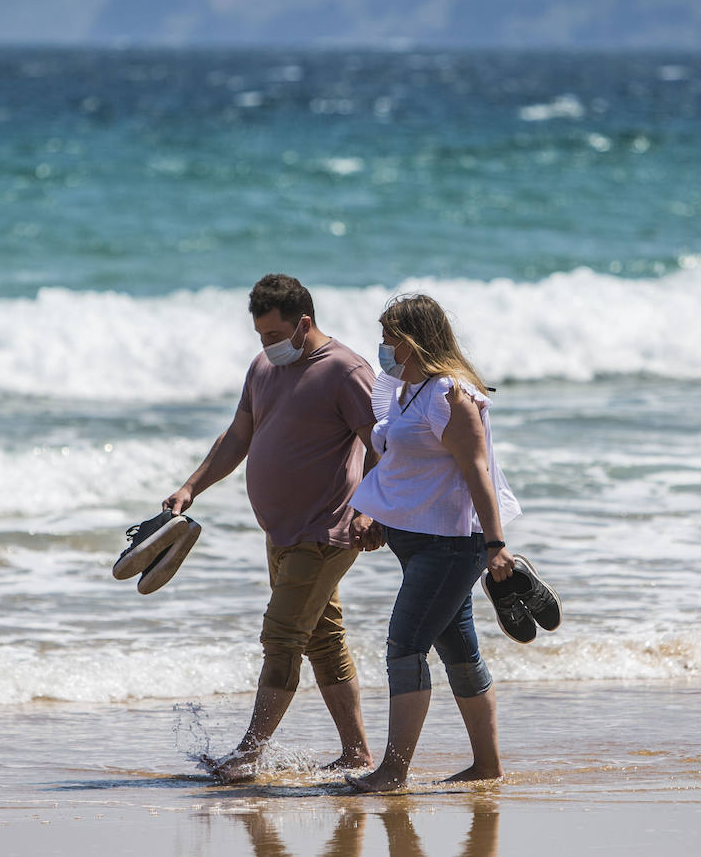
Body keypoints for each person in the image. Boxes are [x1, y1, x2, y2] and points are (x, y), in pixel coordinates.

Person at [164, 273, 385, 781]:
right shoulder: (263, 366)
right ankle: (357, 755)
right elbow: (239, 433)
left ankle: (248, 754)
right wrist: (191, 487)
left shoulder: (346, 370)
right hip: (281, 532)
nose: (266, 345)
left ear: (303, 322)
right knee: (323, 640)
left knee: (282, 638)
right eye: (259, 335)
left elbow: (381, 445)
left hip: (327, 530)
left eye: (273, 334)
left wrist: (370, 510)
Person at [345, 293, 521, 792]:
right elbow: (401, 466)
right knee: (459, 652)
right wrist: (372, 513)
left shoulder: (451, 394)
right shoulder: (403, 389)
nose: (381, 347)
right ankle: (487, 766)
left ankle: (393, 772)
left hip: (450, 545)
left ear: (413, 340)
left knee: (404, 647)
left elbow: (478, 471)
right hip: (416, 541)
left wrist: (496, 545)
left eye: (388, 338)